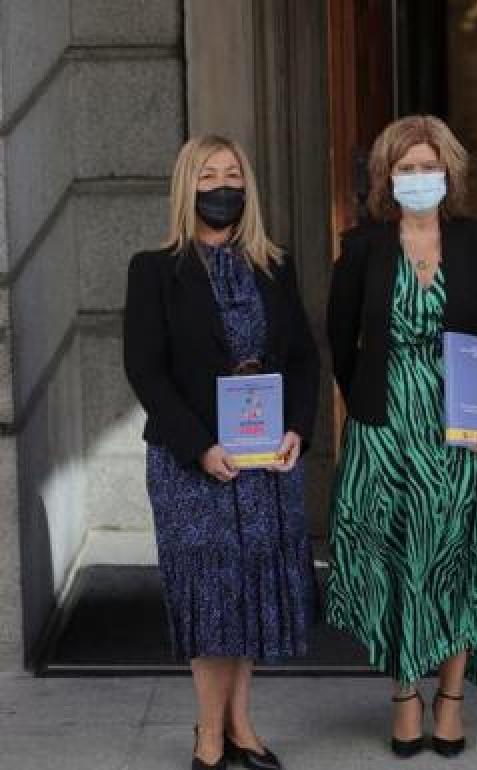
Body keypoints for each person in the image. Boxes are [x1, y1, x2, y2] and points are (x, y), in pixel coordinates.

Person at [325, 115, 477, 759]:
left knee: (457, 563)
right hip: (387, 432)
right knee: (396, 561)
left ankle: (452, 701)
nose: (418, 177)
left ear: (450, 171)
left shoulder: (476, 241)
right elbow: (338, 337)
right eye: (406, 168)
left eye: (428, 166)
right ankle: (405, 695)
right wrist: (368, 412)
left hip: (463, 428)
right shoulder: (361, 247)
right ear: (387, 177)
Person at [124, 135, 320, 770]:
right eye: (208, 176)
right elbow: (145, 372)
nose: (221, 185)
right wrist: (200, 447)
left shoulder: (274, 264)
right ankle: (209, 737)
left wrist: (298, 429)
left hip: (265, 457)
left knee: (252, 591)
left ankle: (241, 726)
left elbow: (302, 358)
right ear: (188, 187)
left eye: (232, 173)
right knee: (211, 594)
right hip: (192, 463)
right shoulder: (153, 269)